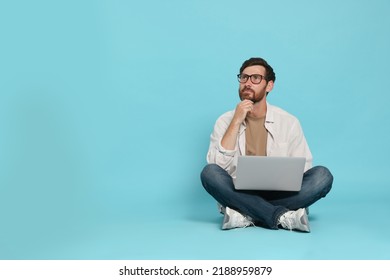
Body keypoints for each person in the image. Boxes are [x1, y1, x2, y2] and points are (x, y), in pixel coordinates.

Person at [200, 57, 333, 232]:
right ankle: (283, 216)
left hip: (278, 193)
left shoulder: (289, 121)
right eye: (244, 77)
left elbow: (303, 167)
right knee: (209, 173)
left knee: (322, 176)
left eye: (255, 78)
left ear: (269, 85)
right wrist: (236, 121)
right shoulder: (225, 121)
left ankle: (244, 213)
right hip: (240, 191)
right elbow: (218, 166)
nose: (247, 83)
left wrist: (282, 179)